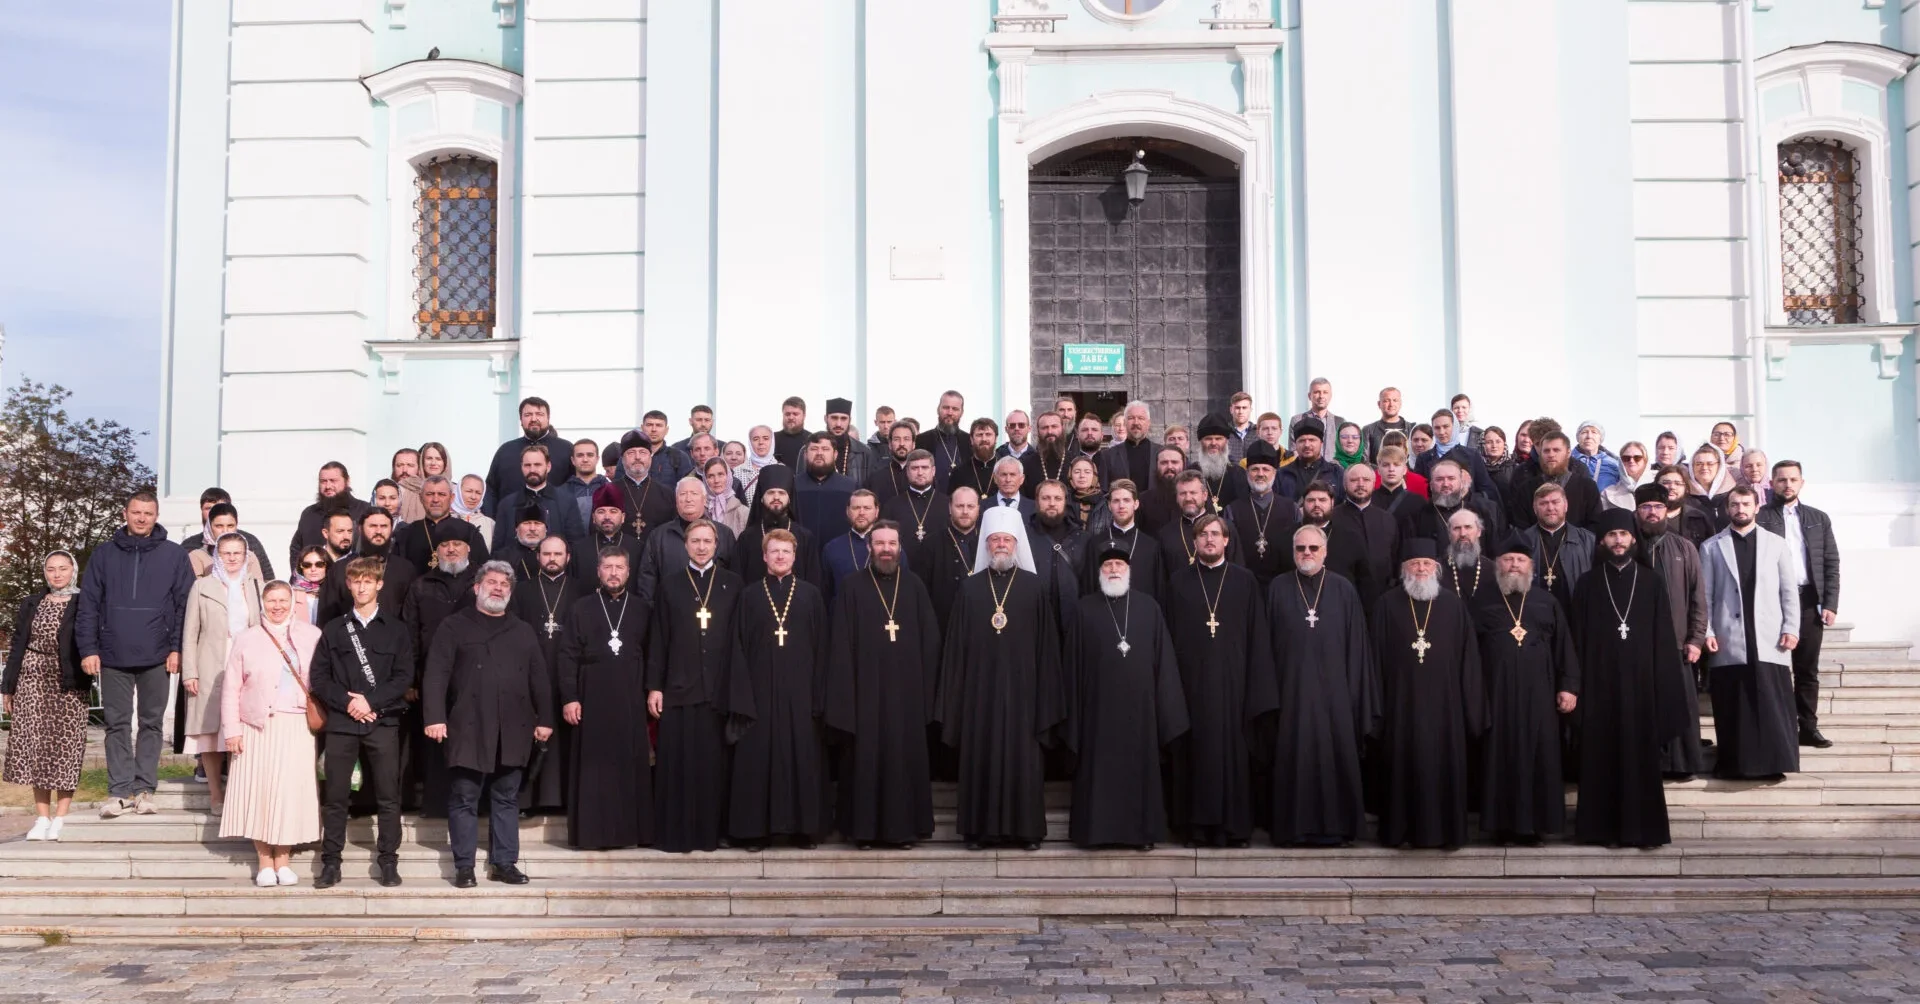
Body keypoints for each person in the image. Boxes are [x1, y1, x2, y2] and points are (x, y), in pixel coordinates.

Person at [936, 507, 1065, 851]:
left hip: (1025, 695)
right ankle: (979, 831)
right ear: (986, 545)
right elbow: (956, 649)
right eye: (995, 540)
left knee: (1024, 763)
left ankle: (1026, 832)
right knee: (981, 760)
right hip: (980, 694)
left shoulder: (1035, 588)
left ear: (1017, 543)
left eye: (1007, 539)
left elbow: (1047, 648)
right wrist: (957, 697)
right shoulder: (969, 589)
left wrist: (1045, 696)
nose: (1001, 545)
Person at [424, 561, 555, 886]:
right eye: (492, 582)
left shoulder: (521, 630)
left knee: (507, 797)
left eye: (504, 585)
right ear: (477, 588)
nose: (498, 588)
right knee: (464, 796)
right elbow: (436, 674)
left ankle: (504, 863)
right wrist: (435, 717)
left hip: (514, 728)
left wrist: (546, 718)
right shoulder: (454, 626)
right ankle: (465, 866)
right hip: (468, 725)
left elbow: (539, 678)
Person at [1569, 509, 1688, 848]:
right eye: (1611, 536)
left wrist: (1663, 687)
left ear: (1633, 539)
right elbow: (1577, 640)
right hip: (1599, 688)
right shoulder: (1588, 583)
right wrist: (1575, 687)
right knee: (1601, 758)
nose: (1618, 541)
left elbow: (1664, 639)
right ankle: (1600, 830)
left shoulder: (1651, 582)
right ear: (1602, 541)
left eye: (1623, 535)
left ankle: (1644, 831)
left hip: (1642, 689)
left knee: (1640, 760)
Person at [79, 491, 196, 819]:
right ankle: (118, 792)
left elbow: (184, 606)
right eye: (136, 512)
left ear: (156, 516)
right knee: (116, 724)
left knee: (151, 723)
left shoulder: (174, 556)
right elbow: (88, 605)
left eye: (148, 513)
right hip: (112, 654)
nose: (142, 518)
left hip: (158, 655)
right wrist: (89, 649)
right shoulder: (103, 555)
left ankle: (145, 789)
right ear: (125, 513)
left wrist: (177, 648)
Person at [1063, 544, 1188, 850]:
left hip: (1141, 711)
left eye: (1119, 565)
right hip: (1097, 710)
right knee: (1098, 773)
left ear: (1129, 571)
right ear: (1099, 573)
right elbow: (1072, 666)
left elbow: (1165, 664)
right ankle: (1096, 833)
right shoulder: (1084, 608)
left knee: (1139, 772)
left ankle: (1140, 834)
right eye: (1108, 566)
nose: (1114, 570)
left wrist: (1166, 708)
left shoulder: (1149, 608)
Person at [825, 521, 940, 848]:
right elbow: (840, 645)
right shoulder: (851, 586)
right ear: (869, 548)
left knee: (903, 761)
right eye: (880, 543)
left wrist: (925, 693)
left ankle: (903, 831)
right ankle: (863, 831)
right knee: (865, 760)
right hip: (865, 695)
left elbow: (930, 642)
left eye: (891, 543)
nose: (886, 549)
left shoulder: (915, 586)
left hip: (906, 696)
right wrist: (846, 695)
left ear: (900, 548)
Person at [1159, 515, 1267, 848]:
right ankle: (1193, 828)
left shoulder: (1245, 581)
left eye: (1215, 534)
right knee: (1193, 756)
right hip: (1189, 688)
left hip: (1235, 687)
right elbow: (1167, 638)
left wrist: (1255, 688)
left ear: (1226, 541)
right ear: (1193, 542)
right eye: (1202, 534)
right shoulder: (1177, 582)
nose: (1209, 540)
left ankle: (1233, 829)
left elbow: (1258, 638)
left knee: (1232, 757)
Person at [1265, 525, 1376, 846]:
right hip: (1291, 693)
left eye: (1314, 548)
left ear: (1325, 552)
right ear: (1293, 551)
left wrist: (1355, 695)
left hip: (1337, 695)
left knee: (1335, 756)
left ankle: (1338, 828)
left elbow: (1357, 646)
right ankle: (1292, 829)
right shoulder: (1278, 587)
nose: (1307, 554)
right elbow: (1268, 644)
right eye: (1301, 548)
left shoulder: (1343, 589)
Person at [645, 520, 752, 853]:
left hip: (719, 688)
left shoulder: (733, 584)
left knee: (714, 766)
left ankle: (713, 832)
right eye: (696, 541)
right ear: (686, 545)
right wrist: (654, 686)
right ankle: (676, 833)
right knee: (678, 764)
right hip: (679, 687)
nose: (702, 547)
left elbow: (740, 639)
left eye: (708, 541)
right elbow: (659, 638)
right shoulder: (670, 585)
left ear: (717, 545)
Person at [1370, 540, 1484, 850]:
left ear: (1437, 568)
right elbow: (1375, 661)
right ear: (1403, 569)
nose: (1421, 568)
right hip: (1400, 707)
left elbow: (1468, 660)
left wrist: (1470, 709)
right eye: (1414, 563)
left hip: (1446, 710)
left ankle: (1445, 833)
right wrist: (1376, 710)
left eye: (1426, 564)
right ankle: (1399, 831)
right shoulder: (1386, 604)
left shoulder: (1452, 605)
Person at [308, 557, 413, 889]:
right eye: (357, 581)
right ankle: (331, 863)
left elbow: (403, 677)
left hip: (383, 723)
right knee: (336, 796)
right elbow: (320, 678)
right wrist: (350, 703)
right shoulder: (334, 629)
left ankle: (388, 861)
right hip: (342, 722)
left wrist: (372, 702)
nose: (363, 586)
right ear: (349, 585)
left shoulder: (396, 629)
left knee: (388, 796)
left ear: (379, 584)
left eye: (369, 581)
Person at [728, 530, 831, 849]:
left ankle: (803, 830)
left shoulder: (812, 595)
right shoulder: (749, 595)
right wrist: (743, 697)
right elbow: (738, 648)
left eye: (786, 551)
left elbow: (823, 648)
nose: (780, 556)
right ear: (764, 556)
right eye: (774, 551)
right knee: (759, 761)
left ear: (795, 555)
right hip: (759, 694)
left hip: (800, 694)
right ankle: (756, 831)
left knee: (802, 758)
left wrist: (818, 697)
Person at [1474, 536, 1579, 845]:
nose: (1514, 565)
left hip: (1540, 697)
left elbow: (1565, 649)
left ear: (1531, 567)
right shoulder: (1482, 601)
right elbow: (1469, 653)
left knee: (1539, 757)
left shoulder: (1547, 602)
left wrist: (1569, 687)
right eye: (1508, 560)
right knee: (1499, 759)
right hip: (1497, 697)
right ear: (1498, 566)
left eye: (1520, 560)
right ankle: (1501, 826)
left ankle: (1535, 827)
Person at [218, 581, 323, 887]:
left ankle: (284, 860)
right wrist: (232, 730)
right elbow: (231, 688)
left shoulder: (312, 635)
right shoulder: (246, 638)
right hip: (256, 726)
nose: (277, 606)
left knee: (290, 793)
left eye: (283, 600)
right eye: (271, 600)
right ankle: (264, 862)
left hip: (297, 726)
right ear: (262, 603)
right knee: (259, 793)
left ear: (293, 602)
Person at [556, 547, 653, 850]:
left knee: (628, 764)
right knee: (593, 768)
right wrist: (570, 697)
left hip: (630, 698)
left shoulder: (641, 608)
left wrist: (652, 690)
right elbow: (567, 655)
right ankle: (592, 834)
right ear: (598, 571)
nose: (613, 573)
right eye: (608, 567)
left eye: (619, 567)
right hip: (591, 695)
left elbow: (652, 655)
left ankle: (630, 834)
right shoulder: (580, 608)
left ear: (628, 571)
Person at [1701, 486, 1801, 780]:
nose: (1740, 509)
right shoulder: (1711, 546)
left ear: (1757, 507)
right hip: (1729, 637)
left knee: (1771, 702)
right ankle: (1735, 765)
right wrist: (1706, 630)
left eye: (1746, 503)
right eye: (1735, 504)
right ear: (1727, 508)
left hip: (1769, 636)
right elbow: (1705, 595)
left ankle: (1773, 765)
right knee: (1734, 704)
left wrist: (1791, 627)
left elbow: (1789, 591)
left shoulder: (1777, 544)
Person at [3, 552, 89, 842]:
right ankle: (41, 817)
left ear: (73, 571)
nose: (57, 574)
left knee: (66, 748)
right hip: (31, 681)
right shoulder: (32, 602)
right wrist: (8, 686)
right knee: (36, 749)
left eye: (63, 569)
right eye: (51, 569)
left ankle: (61, 817)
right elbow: (18, 644)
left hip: (68, 682)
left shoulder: (84, 602)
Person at [1755, 460, 1840, 749]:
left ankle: (1808, 727)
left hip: (1807, 600)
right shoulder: (1761, 516)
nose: (1787, 484)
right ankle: (1778, 728)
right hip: (1771, 601)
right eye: (1781, 480)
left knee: (1806, 669)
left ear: (1801, 482)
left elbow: (1831, 563)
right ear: (1771, 484)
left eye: (1793, 479)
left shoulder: (1818, 518)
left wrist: (1830, 602)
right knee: (1773, 668)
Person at [180, 533, 263, 815]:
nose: (231, 558)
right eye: (226, 553)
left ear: (246, 556)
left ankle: (239, 796)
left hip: (247, 664)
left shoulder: (255, 586)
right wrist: (189, 672)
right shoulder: (202, 585)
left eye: (237, 553)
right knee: (211, 733)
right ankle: (216, 795)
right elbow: (190, 632)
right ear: (217, 555)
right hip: (210, 663)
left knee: (241, 730)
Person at [1634, 483, 1709, 779]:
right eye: (1645, 507)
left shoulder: (1684, 548)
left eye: (1657, 507)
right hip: (1639, 646)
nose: (1652, 513)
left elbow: (1698, 597)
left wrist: (1696, 639)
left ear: (1666, 510)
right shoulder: (1629, 547)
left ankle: (1681, 765)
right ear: (1637, 511)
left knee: (1681, 707)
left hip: (1678, 644)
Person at [400, 533, 478, 815]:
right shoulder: (422, 585)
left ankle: (471, 804)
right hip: (431, 678)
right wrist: (410, 680)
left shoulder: (480, 584)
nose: (451, 549)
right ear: (437, 551)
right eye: (445, 545)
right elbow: (409, 635)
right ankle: (435, 803)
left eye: (457, 543)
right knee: (435, 742)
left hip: (473, 679)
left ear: (468, 548)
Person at [510, 535, 584, 814]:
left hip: (570, 673)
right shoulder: (522, 591)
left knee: (566, 738)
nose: (552, 558)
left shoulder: (581, 590)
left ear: (568, 557)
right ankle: (527, 800)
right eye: (546, 553)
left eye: (558, 553)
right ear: (537, 557)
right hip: (530, 673)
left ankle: (564, 800)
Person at [635, 477, 739, 603]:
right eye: (683, 494)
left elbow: (733, 577)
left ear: (704, 499)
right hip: (671, 611)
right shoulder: (658, 536)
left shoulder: (724, 533)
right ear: (676, 500)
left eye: (694, 494)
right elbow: (647, 581)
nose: (688, 499)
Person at [732, 464, 826, 592]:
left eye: (781, 493)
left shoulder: (805, 537)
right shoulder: (747, 538)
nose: (776, 497)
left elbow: (814, 585)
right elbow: (738, 584)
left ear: (789, 498)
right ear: (761, 497)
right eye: (770, 493)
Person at [318, 509, 418, 624]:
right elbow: (326, 616)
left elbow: (411, 616)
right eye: (373, 526)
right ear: (360, 529)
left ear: (391, 529)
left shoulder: (405, 569)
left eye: (384, 526)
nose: (379, 531)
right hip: (348, 638)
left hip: (393, 639)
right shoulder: (340, 569)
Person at [1225, 441, 1298, 589]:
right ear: (1247, 473)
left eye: (1266, 469)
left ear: (1274, 473)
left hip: (1284, 586)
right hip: (1243, 586)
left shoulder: (1291, 508)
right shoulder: (1232, 509)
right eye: (1255, 469)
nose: (1260, 474)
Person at [484, 396, 573, 518]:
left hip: (555, 523)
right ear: (521, 419)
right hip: (510, 523)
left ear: (548, 418)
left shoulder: (566, 449)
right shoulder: (505, 450)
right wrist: (492, 521)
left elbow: (575, 487)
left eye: (539, 414)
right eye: (528, 415)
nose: (534, 419)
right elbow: (491, 490)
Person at [1078, 479, 1164, 603]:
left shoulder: (1151, 546)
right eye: (1116, 501)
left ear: (1136, 504)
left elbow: (1158, 592)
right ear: (1109, 505)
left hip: (1141, 615)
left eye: (1126, 500)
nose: (1121, 506)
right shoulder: (1096, 544)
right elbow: (1088, 588)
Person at [491, 443, 587, 552]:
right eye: (527, 465)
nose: (532, 470)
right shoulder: (507, 504)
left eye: (537, 465)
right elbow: (498, 548)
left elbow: (576, 544)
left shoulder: (567, 501)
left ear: (548, 466)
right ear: (521, 467)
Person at [287, 462, 375, 574]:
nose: (328, 486)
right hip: (314, 585)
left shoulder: (364, 510)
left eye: (333, 481)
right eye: (323, 481)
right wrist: (300, 578)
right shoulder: (309, 513)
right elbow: (296, 549)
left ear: (347, 481)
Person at [1519, 483, 1594, 614]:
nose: (1550, 508)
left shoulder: (1587, 540)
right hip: (1534, 614)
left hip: (1575, 614)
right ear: (1534, 508)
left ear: (1566, 506)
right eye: (1543, 503)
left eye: (1555, 502)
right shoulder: (1523, 540)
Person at [396, 475, 490, 575]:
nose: (435, 499)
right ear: (421, 498)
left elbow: (483, 572)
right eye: (430, 494)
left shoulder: (470, 532)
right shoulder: (406, 534)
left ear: (452, 498)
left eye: (441, 494)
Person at [1508, 432, 1601, 531]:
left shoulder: (1587, 487)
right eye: (1546, 451)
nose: (1551, 455)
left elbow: (1595, 526)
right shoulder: (1526, 489)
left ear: (1568, 453)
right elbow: (1521, 528)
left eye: (1556, 450)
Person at [1334, 463, 1399, 601]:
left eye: (1366, 480)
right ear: (1344, 485)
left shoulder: (1387, 519)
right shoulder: (1332, 517)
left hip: (1381, 596)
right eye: (1354, 480)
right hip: (1342, 596)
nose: (1360, 484)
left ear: (1374, 483)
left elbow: (1394, 556)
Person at [922, 487, 982, 633]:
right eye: (959, 506)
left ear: (978, 509)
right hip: (942, 624)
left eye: (970, 506)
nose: (965, 511)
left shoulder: (987, 543)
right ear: (950, 508)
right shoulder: (931, 544)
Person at [180, 488, 276, 578]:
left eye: (221, 507)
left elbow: (267, 579)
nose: (225, 530)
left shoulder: (250, 544)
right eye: (209, 508)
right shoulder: (190, 547)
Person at [882, 449, 948, 572]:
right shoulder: (892, 505)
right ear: (907, 472)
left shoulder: (948, 504)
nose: (920, 472)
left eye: (924, 467)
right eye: (914, 468)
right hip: (903, 571)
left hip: (939, 570)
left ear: (933, 471)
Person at [608, 432, 677, 544]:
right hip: (619, 555)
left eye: (643, 452)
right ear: (623, 459)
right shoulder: (608, 491)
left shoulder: (666, 493)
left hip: (656, 555)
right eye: (631, 453)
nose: (638, 457)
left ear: (650, 458)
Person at [793, 432, 860, 543]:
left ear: (835, 454)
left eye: (825, 449)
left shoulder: (850, 486)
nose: (819, 453)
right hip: (800, 551)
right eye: (814, 449)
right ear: (805, 454)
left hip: (839, 552)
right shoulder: (793, 485)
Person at [822, 489, 884, 600]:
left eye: (867, 508)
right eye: (856, 508)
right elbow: (826, 592)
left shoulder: (890, 547)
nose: (861, 513)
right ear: (847, 511)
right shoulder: (832, 548)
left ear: (876, 511)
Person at [186, 503, 266, 581]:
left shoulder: (249, 557)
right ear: (209, 527)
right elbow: (196, 590)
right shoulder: (197, 557)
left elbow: (258, 589)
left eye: (230, 526)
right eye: (219, 526)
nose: (225, 531)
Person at [1274, 418, 1345, 502]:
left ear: (1321, 443)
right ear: (1295, 444)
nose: (1307, 445)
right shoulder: (1282, 474)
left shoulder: (1336, 473)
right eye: (1302, 441)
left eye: (1312, 440)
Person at [1193, 412, 1248, 512]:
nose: (1213, 443)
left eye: (1218, 439)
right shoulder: (1192, 472)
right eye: (1208, 439)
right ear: (1201, 442)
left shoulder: (1238, 473)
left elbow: (1243, 509)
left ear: (1226, 441)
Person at [1097, 400, 1159, 490]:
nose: (1136, 423)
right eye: (1131, 418)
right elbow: (1104, 492)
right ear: (1125, 422)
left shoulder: (1161, 453)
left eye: (1141, 418)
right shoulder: (1108, 456)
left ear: (1148, 423)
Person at [915, 390, 968, 488]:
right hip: (933, 499)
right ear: (938, 409)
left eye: (955, 409)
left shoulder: (969, 441)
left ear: (962, 413)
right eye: (946, 407)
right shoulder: (921, 440)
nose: (950, 412)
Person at [638, 409, 696, 486]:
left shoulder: (679, 457)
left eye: (659, 425)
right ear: (642, 428)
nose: (654, 429)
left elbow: (688, 488)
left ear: (666, 430)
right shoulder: (630, 456)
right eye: (649, 425)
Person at [1289, 377, 1346, 455]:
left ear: (1330, 396)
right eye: (1317, 392)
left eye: (1325, 392)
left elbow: (1344, 451)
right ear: (1309, 396)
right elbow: (1294, 451)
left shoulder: (1340, 422)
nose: (1321, 396)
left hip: (1333, 466)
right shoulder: (1297, 420)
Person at [867, 420, 917, 508]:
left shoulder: (922, 472)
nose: (902, 444)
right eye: (897, 439)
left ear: (913, 444)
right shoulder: (877, 474)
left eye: (906, 439)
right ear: (889, 444)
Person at [1688, 444, 1734, 530]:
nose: (1704, 467)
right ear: (1692, 467)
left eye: (1710, 464)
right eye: (1699, 464)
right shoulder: (1684, 497)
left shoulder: (1732, 495)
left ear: (1719, 466)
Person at [700, 456, 749, 538]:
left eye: (721, 474)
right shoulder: (699, 511)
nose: (716, 480)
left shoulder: (743, 512)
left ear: (728, 476)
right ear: (705, 479)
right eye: (711, 476)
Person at [1024, 410, 1070, 495]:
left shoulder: (1074, 461)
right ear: (1038, 431)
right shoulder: (1026, 463)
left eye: (1054, 426)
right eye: (1044, 428)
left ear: (1062, 428)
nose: (1050, 431)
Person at [1572, 421, 1625, 493]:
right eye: (1584, 432)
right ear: (1578, 438)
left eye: (1594, 432)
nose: (1589, 436)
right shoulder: (1566, 461)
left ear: (1600, 439)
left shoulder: (1614, 464)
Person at [734, 424, 780, 507]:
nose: (761, 442)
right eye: (755, 439)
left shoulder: (782, 470)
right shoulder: (737, 472)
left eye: (765, 438)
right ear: (750, 442)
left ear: (772, 441)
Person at [1361, 386, 1410, 461]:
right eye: (1386, 401)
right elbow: (1364, 460)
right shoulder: (1368, 430)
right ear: (1379, 404)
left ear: (1400, 403)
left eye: (1395, 400)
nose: (1391, 404)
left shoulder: (1412, 429)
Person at [1065, 454, 1110, 534]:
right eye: (1077, 472)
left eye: (1087, 472)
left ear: (1094, 475)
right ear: (1070, 475)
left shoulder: (1106, 502)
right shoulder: (1063, 501)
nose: (1082, 476)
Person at [289, 547, 331, 626]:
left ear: (327, 566)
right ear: (301, 567)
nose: (313, 569)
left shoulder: (335, 592)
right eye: (307, 565)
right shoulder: (290, 596)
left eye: (319, 564)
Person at [774, 395, 812, 469]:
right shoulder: (772, 439)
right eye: (787, 414)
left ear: (804, 415)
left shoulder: (812, 440)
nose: (791, 417)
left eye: (795, 414)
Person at [1225, 391, 1256, 463]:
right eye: (1237, 408)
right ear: (1231, 410)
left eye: (1244, 408)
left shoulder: (1258, 433)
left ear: (1250, 410)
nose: (1240, 411)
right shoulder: (1223, 433)